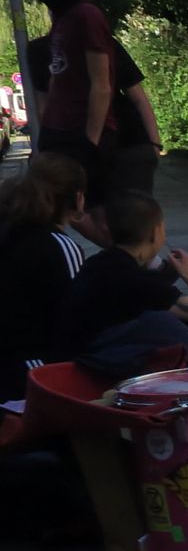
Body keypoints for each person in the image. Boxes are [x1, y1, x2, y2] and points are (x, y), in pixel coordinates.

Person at [59, 193, 188, 379]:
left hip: (92, 359)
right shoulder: (135, 281)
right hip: (102, 368)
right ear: (156, 232)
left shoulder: (99, 265)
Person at [15, 0, 120, 245]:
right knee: (59, 203)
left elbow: (101, 84)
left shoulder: (86, 16)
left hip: (80, 130)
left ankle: (135, 260)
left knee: (85, 204)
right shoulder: (63, 18)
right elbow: (58, 79)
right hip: (59, 129)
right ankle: (131, 260)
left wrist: (91, 140)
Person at [28, 33, 164, 199]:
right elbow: (138, 97)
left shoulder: (42, 50)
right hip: (101, 147)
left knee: (103, 212)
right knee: (127, 214)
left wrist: (155, 145)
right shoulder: (43, 49)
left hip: (121, 142)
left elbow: (44, 109)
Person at [0, 154, 90, 401]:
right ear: (77, 198)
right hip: (31, 369)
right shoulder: (58, 245)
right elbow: (77, 319)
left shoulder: (9, 232)